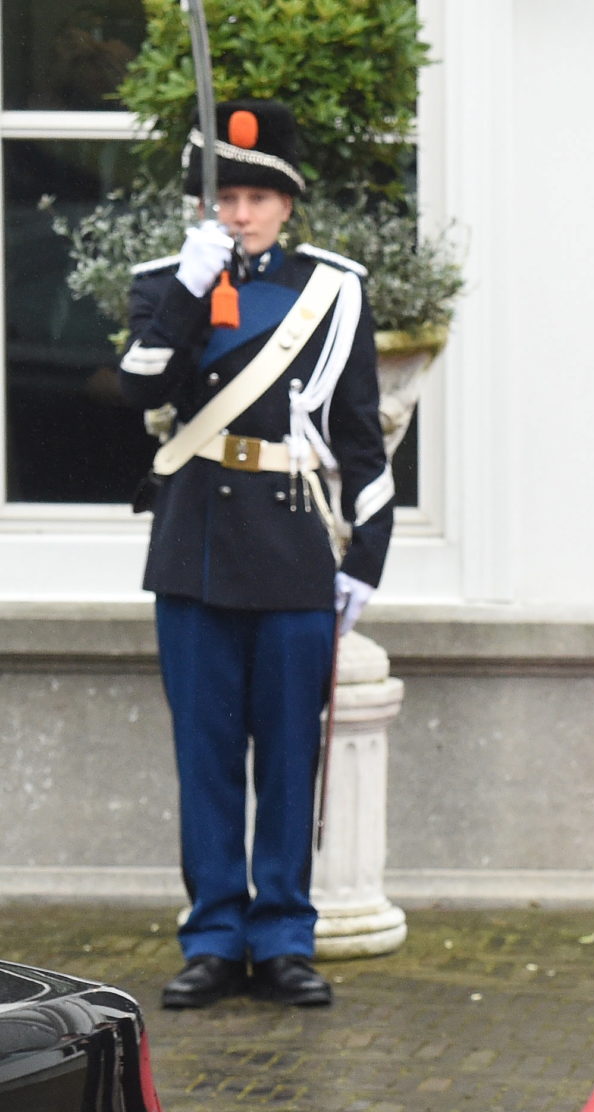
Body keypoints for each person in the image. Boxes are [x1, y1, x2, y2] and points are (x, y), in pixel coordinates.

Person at [119, 99, 390, 1009]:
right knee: (203, 753)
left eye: (256, 197)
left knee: (285, 753)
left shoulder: (333, 289)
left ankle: (282, 934)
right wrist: (191, 297)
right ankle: (212, 934)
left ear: (287, 203)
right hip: (194, 541)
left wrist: (367, 555)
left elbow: (360, 432)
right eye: (225, 196)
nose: (239, 214)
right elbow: (137, 387)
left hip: (290, 544)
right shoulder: (167, 282)